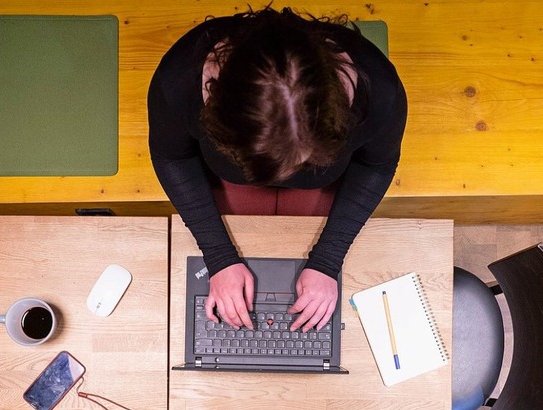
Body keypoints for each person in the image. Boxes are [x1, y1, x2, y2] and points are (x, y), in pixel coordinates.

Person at [148, 6, 407, 333]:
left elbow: (377, 164)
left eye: (304, 158)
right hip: (230, 182)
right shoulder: (178, 80)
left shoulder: (380, 91)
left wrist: (328, 261)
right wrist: (219, 258)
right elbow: (172, 157)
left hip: (321, 186)